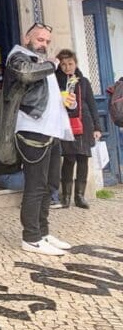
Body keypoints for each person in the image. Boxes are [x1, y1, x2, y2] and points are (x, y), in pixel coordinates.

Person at [0, 23, 74, 256]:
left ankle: (43, 232)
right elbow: (25, 74)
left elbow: (43, 94)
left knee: (50, 184)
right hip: (32, 130)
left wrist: (64, 101)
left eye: (47, 41)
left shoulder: (40, 61)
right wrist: (52, 64)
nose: (44, 44)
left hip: (51, 130)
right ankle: (31, 237)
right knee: (36, 185)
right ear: (26, 38)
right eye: (40, 39)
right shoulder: (18, 56)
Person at [54, 49, 101, 210]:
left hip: (84, 124)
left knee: (83, 159)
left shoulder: (84, 81)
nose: (67, 67)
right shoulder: (55, 81)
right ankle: (66, 197)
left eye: (70, 63)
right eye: (63, 64)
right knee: (69, 159)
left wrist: (97, 126)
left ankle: (79, 196)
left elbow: (92, 104)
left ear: (76, 63)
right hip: (66, 124)